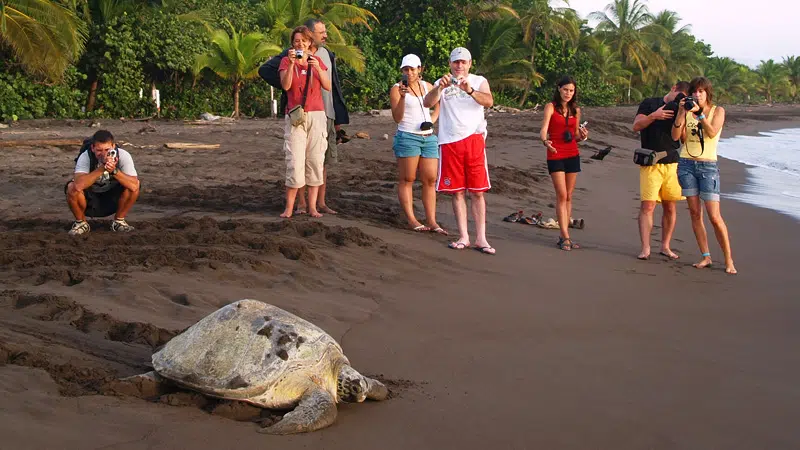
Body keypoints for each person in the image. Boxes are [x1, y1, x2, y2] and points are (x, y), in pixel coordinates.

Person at [423, 47, 495, 254]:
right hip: (449, 141)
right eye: (456, 62)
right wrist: (440, 88)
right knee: (456, 192)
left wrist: (469, 90)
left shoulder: (479, 81)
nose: (459, 66)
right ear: (450, 63)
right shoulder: (441, 82)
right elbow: (427, 103)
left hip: (473, 139)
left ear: (470, 63)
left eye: (463, 62)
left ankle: (481, 238)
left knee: (478, 192)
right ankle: (464, 236)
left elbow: (489, 101)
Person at [671, 76, 737, 274]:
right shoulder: (687, 110)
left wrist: (700, 114)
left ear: (708, 92)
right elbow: (675, 137)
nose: (697, 94)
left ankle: (728, 260)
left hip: (708, 166)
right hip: (686, 164)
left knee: (714, 216)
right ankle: (705, 256)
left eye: (701, 91)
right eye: (694, 91)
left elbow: (711, 132)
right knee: (694, 213)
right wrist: (682, 113)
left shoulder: (718, 111)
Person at [295, 18, 350, 215]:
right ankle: (301, 203)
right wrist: (290, 95)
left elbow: (333, 87)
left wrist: (338, 121)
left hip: (326, 114)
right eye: (321, 33)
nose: (325, 36)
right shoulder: (295, 54)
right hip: (302, 114)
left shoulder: (327, 54)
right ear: (310, 34)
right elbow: (269, 71)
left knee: (322, 161)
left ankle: (320, 202)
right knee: (300, 160)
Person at [632, 81, 690, 260]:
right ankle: (646, 248)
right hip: (651, 162)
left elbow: (683, 139)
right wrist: (654, 116)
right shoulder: (650, 103)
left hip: (672, 162)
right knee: (647, 205)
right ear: (673, 88)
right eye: (679, 96)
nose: (679, 100)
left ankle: (665, 246)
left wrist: (683, 113)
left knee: (670, 206)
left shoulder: (683, 110)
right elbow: (636, 126)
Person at [278, 26, 331, 218]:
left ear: (310, 42)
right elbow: (286, 86)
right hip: (295, 116)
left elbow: (327, 86)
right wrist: (292, 64)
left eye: (303, 41)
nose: (300, 44)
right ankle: (290, 207)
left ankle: (313, 207)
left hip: (316, 114)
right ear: (292, 44)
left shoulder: (316, 61)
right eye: (296, 41)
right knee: (295, 161)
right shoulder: (285, 61)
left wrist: (316, 67)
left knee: (316, 160)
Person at [389, 54, 445, 234]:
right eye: (406, 69)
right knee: (408, 179)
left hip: (427, 136)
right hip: (407, 135)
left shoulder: (427, 86)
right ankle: (412, 219)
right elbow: (397, 117)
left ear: (419, 69)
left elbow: (438, 104)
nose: (409, 73)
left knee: (430, 179)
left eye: (412, 69)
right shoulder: (397, 89)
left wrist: (432, 120)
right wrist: (403, 98)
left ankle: (432, 220)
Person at [539, 76, 589, 251]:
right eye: (565, 89)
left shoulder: (576, 109)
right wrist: (545, 141)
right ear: (559, 89)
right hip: (555, 153)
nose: (568, 93)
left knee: (568, 195)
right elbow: (544, 128)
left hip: (572, 153)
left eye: (571, 90)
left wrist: (583, 136)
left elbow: (575, 134)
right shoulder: (550, 107)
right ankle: (565, 236)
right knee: (561, 194)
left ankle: (564, 233)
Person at [64, 129, 140, 235]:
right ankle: (81, 223)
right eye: (99, 150)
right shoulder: (85, 156)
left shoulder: (123, 155)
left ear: (113, 147)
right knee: (71, 187)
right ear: (93, 148)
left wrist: (114, 171)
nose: (103, 154)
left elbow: (134, 185)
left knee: (134, 185)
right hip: (89, 199)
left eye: (107, 150)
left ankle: (119, 221)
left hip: (112, 198)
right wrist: (102, 169)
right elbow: (78, 185)